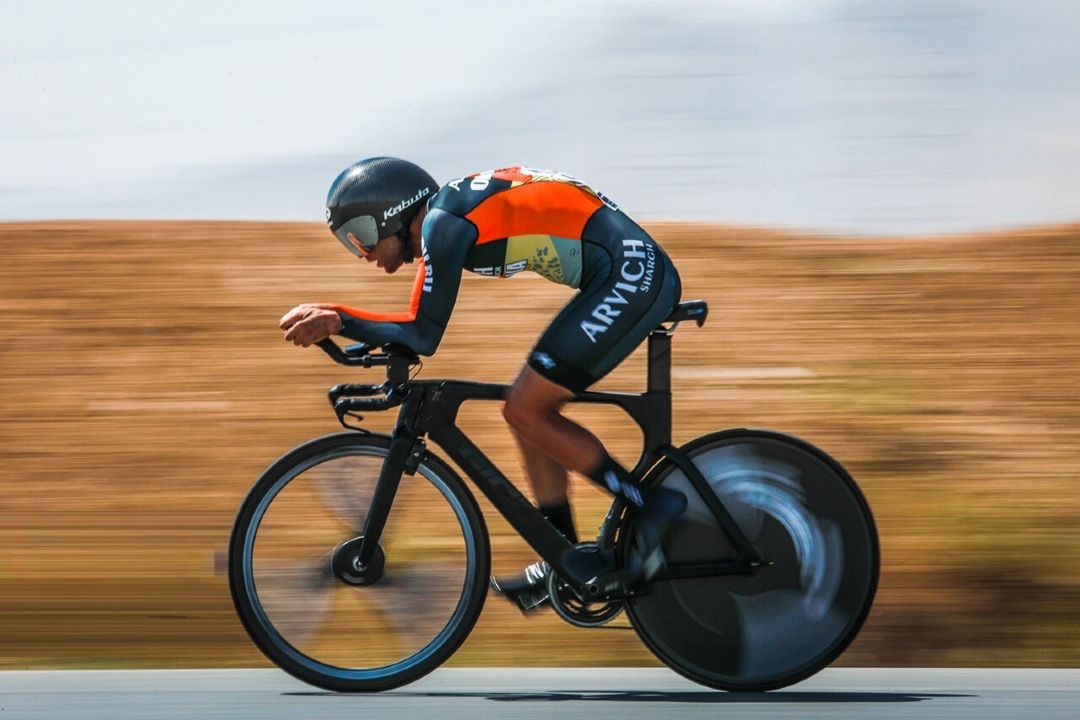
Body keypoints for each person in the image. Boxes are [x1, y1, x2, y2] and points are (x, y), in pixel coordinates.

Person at [280, 157, 687, 612]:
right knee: (525, 415)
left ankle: (650, 504)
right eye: (348, 242)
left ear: (391, 212)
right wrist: (355, 334)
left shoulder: (442, 223)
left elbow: (422, 334)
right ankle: (565, 559)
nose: (363, 252)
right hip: (623, 270)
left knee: (526, 408)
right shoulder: (443, 221)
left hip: (630, 275)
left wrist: (339, 319)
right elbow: (415, 327)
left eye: (361, 233)